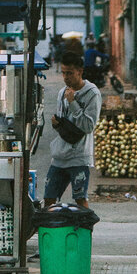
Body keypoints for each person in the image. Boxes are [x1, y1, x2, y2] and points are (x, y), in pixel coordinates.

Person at [43, 52, 102, 209]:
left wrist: (73, 103)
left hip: (79, 156)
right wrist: (57, 124)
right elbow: (63, 122)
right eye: (63, 73)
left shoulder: (92, 93)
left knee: (80, 199)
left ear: (80, 72)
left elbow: (89, 126)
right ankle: (51, 231)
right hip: (59, 156)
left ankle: (85, 230)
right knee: (49, 198)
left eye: (69, 73)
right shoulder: (62, 92)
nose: (66, 77)